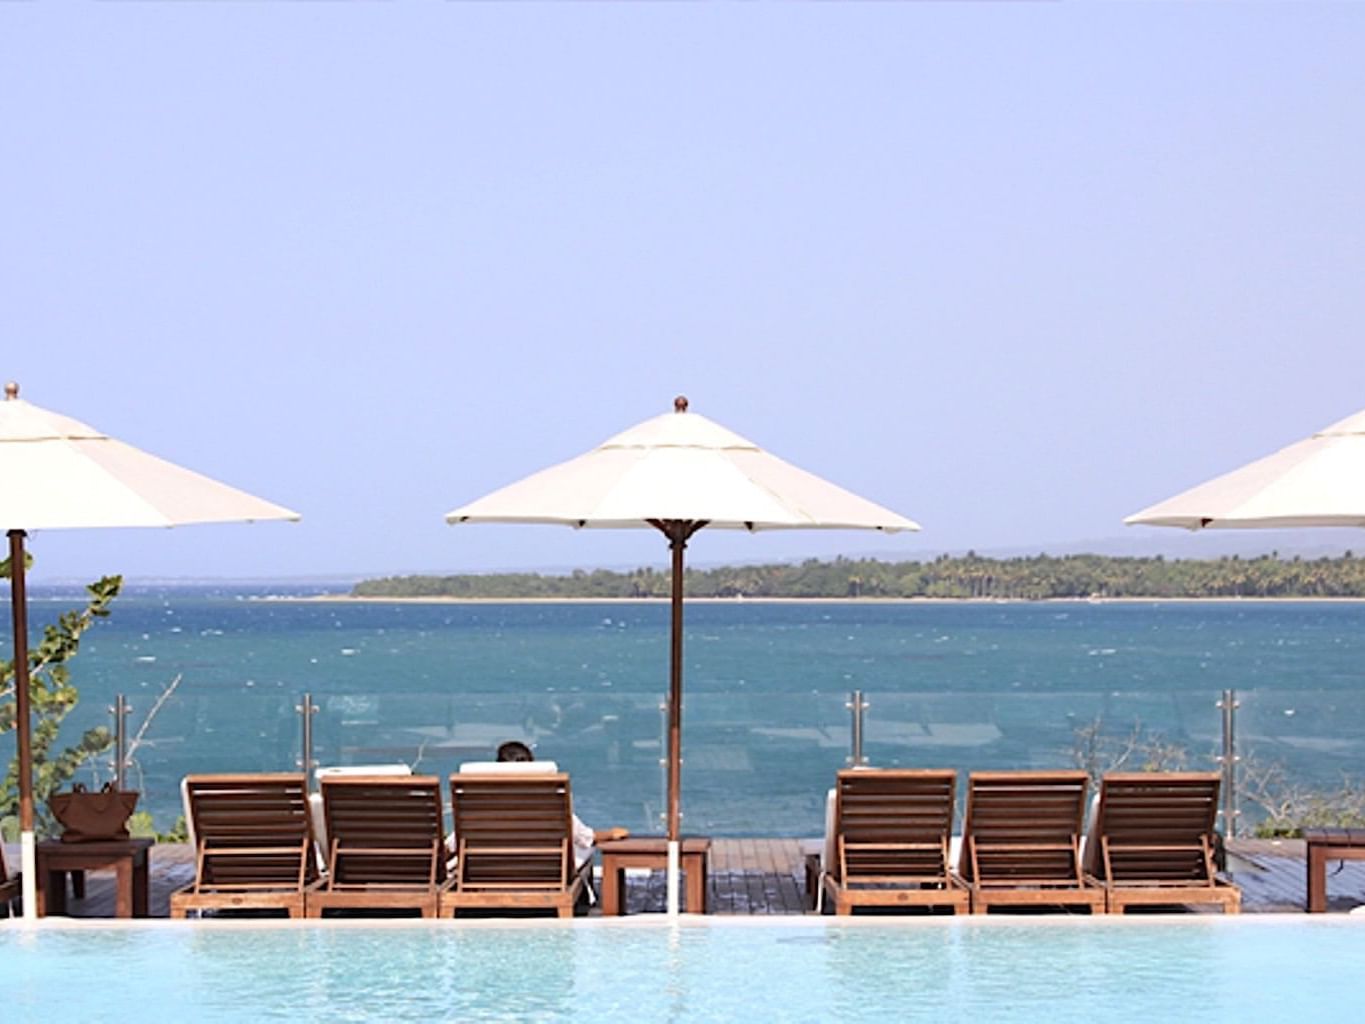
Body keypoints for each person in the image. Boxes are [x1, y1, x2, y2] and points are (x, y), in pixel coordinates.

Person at [495, 741, 628, 864]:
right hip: (544, 871)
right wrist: (611, 834)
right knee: (584, 853)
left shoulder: (482, 800)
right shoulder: (548, 797)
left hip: (493, 871)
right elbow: (584, 838)